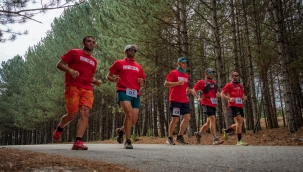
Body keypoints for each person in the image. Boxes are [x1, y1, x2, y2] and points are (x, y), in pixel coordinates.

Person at [52, 36, 102, 150]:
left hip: (87, 89)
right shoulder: (74, 53)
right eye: (89, 41)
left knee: (85, 113)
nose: (91, 43)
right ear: (83, 42)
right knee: (72, 115)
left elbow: (89, 77)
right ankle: (60, 128)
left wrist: (95, 81)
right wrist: (70, 70)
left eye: (93, 42)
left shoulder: (94, 61)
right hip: (72, 87)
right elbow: (59, 64)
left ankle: (78, 142)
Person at [106, 44, 146, 149]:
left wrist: (142, 81)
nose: (132, 51)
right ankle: (128, 140)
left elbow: (143, 80)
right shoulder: (119, 63)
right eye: (130, 50)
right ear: (125, 51)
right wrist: (114, 79)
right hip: (123, 90)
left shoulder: (138, 66)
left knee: (134, 120)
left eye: (134, 50)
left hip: (135, 93)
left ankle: (121, 131)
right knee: (129, 115)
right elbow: (108, 76)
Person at [190, 68, 224, 145]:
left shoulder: (214, 83)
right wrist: (198, 97)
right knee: (213, 119)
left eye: (212, 72)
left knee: (208, 123)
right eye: (210, 72)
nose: (212, 74)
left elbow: (216, 94)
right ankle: (215, 139)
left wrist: (225, 96)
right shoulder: (202, 82)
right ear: (205, 74)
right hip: (206, 103)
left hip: (213, 104)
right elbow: (193, 90)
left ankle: (199, 133)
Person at [164, 57, 191, 145]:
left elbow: (185, 86)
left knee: (187, 117)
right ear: (178, 63)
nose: (184, 65)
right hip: (175, 99)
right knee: (175, 119)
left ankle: (179, 136)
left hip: (184, 100)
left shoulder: (186, 75)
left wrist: (188, 90)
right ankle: (169, 138)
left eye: (186, 63)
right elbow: (166, 84)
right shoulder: (173, 73)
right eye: (183, 63)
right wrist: (177, 83)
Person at [221, 71, 248, 146]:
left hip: (240, 106)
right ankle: (239, 140)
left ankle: (227, 130)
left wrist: (244, 97)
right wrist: (228, 98)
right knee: (240, 121)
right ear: (232, 76)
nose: (237, 76)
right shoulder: (229, 85)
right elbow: (222, 94)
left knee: (239, 123)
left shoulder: (241, 86)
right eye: (235, 75)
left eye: (238, 75)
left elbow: (243, 95)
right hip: (233, 105)